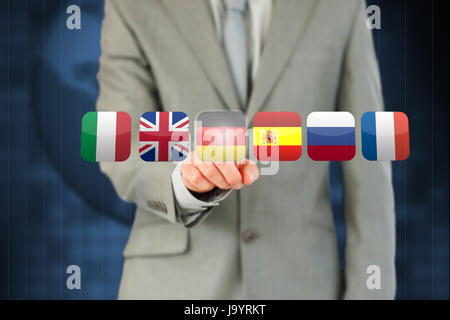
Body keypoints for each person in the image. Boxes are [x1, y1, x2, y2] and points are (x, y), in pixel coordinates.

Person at [96, 0, 396, 299]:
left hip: (301, 281)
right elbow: (120, 143)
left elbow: (370, 160)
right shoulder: (132, 6)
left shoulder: (338, 6)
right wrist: (182, 184)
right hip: (170, 285)